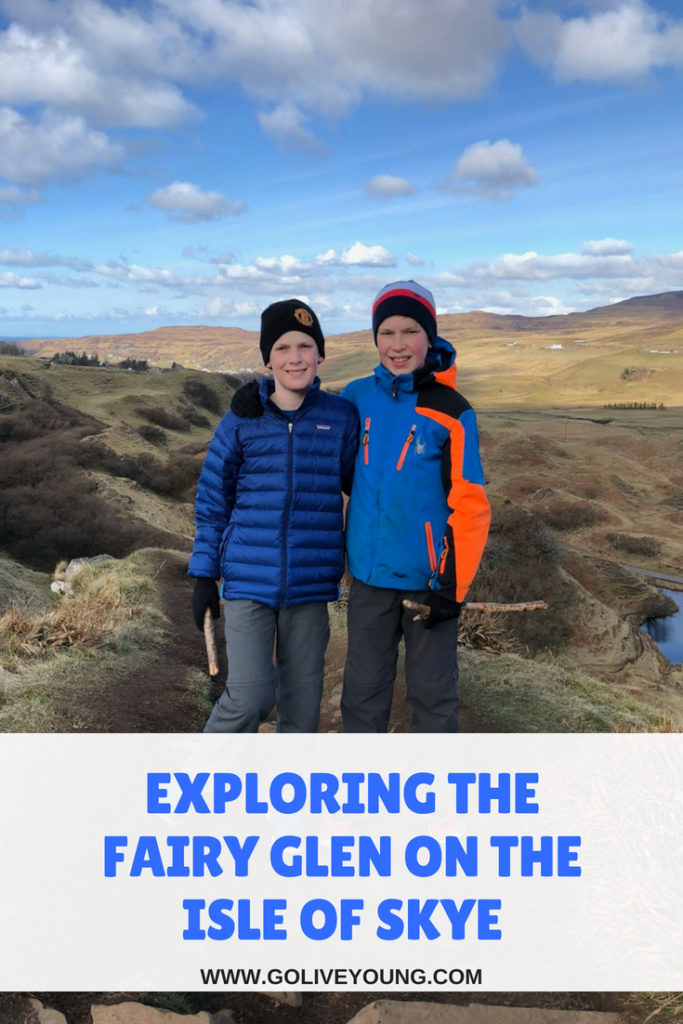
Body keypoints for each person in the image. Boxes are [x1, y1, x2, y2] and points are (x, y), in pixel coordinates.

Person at [188, 299, 359, 733]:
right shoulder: (241, 421)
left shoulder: (340, 418)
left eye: (305, 346)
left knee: (301, 713)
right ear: (268, 358)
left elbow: (366, 489)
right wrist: (204, 576)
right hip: (247, 582)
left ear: (320, 354)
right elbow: (212, 502)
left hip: (310, 585)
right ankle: (195, 790)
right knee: (250, 697)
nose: (295, 357)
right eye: (282, 348)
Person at [340, 281, 491, 732]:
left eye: (410, 331)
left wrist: (452, 586)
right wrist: (260, 399)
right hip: (367, 578)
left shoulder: (452, 410)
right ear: (374, 338)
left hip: (429, 584)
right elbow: (309, 423)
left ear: (430, 336)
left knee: (432, 695)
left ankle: (437, 798)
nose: (398, 344)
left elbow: (471, 504)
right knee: (362, 693)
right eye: (387, 332)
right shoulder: (356, 396)